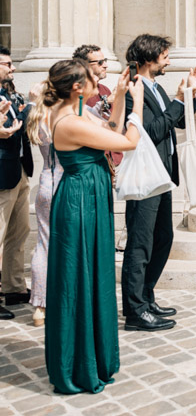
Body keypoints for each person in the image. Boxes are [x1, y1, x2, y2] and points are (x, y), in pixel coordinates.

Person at [45, 59, 143, 394]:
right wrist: (137, 105)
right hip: (80, 203)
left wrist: (117, 95)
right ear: (77, 87)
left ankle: (93, 356)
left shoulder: (74, 112)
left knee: (92, 275)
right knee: (79, 277)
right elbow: (126, 141)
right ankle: (78, 365)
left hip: (89, 197)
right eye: (90, 78)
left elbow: (110, 132)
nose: (95, 80)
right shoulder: (69, 121)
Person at [121, 34, 196, 331]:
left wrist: (190, 96)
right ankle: (134, 311)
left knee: (163, 238)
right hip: (146, 176)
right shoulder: (135, 90)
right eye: (165, 55)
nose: (169, 60)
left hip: (163, 175)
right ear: (149, 58)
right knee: (140, 245)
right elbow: (150, 132)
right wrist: (179, 100)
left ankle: (146, 296)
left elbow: (178, 122)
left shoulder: (156, 88)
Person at [0, 46, 35, 319]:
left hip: (20, 170)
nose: (13, 68)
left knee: (19, 231)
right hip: (2, 173)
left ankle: (13, 286)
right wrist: (28, 109)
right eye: (8, 64)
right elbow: (9, 132)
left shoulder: (9, 95)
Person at [25, 82, 62, 327]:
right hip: (65, 181)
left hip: (45, 182)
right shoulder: (64, 116)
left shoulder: (36, 116)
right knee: (65, 243)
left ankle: (40, 307)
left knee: (43, 243)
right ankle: (62, 300)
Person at [73, 44, 122, 165]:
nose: (105, 65)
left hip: (114, 159)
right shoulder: (76, 93)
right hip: (92, 160)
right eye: (100, 62)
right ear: (84, 66)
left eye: (105, 61)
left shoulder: (105, 89)